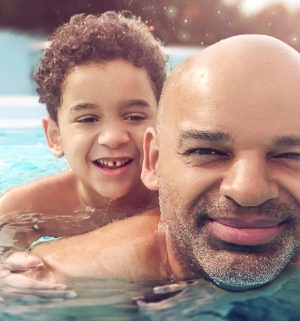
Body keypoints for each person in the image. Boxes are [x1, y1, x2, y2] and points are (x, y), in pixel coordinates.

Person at [24, 34, 300, 292]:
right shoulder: (51, 281)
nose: (248, 191)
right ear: (153, 160)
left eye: (292, 156)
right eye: (207, 151)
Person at [0, 11, 166, 250]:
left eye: (134, 116)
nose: (113, 138)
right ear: (55, 137)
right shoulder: (26, 208)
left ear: (162, 123)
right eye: (88, 119)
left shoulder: (171, 200)